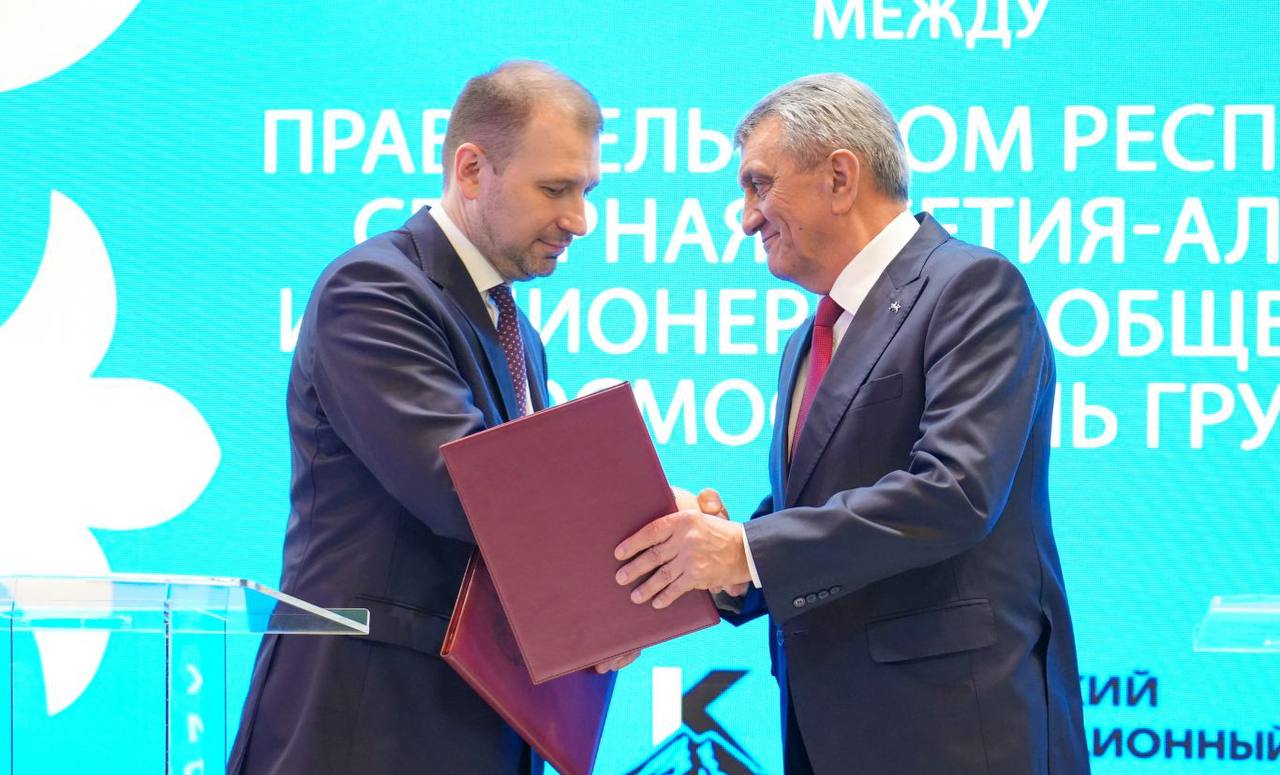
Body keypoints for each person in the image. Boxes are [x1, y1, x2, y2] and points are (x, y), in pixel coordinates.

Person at [614, 74, 1090, 774]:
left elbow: (953, 493)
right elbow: (818, 506)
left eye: (759, 184)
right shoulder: (807, 341)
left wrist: (745, 549)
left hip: (954, 733)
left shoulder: (972, 288)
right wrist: (714, 562)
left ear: (840, 177)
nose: (745, 218)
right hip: (829, 733)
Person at [228, 61, 633, 775]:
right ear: (471, 169)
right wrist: (642, 534)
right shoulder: (375, 289)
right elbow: (467, 489)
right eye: (555, 189)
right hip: (366, 724)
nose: (579, 220)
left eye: (587, 191)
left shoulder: (513, 327)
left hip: (475, 719)